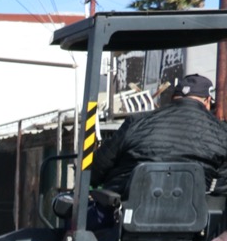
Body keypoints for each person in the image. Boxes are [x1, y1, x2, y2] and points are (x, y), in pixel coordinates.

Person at [92, 73, 227, 196]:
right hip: (194, 218)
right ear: (208, 100)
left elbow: (96, 168)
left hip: (125, 213)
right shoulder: (222, 132)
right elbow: (222, 187)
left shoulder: (137, 121)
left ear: (174, 97)